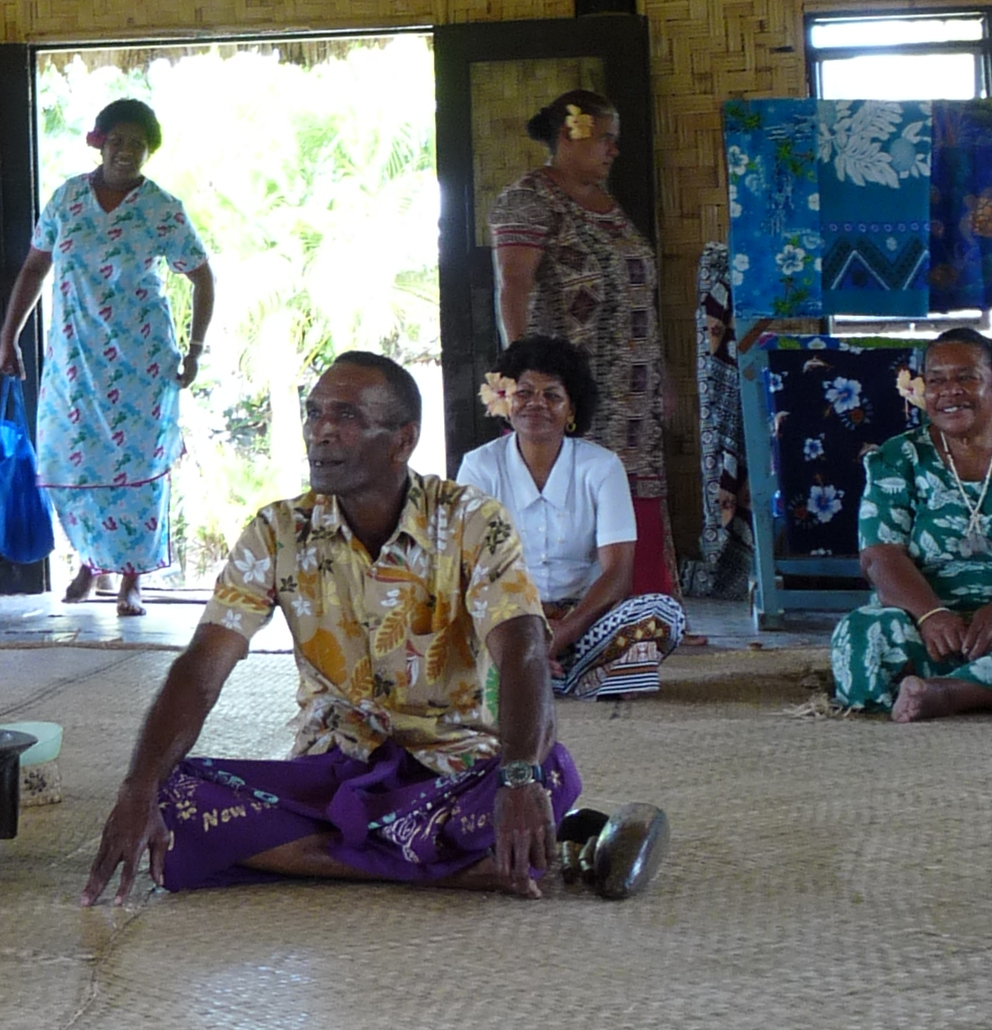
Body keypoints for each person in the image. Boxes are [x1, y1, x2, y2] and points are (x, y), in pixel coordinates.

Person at [83, 351, 669, 905]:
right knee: (173, 797)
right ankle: (475, 868)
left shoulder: (470, 520)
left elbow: (523, 653)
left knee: (549, 770)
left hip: (453, 768)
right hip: (331, 770)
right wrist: (137, 787)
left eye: (346, 416)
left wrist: (518, 778)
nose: (321, 431)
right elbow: (201, 668)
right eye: (314, 412)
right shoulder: (276, 532)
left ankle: (379, 852)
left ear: (402, 441)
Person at [0, 95, 213, 618]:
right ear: (100, 143)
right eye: (117, 140)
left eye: (138, 144)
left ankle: (132, 579)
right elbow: (34, 268)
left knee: (138, 470)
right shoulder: (68, 199)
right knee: (71, 463)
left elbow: (203, 277)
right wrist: (9, 337)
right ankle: (90, 563)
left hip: (143, 363)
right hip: (75, 361)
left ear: (149, 151)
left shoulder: (161, 208)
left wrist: (195, 349)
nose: (126, 151)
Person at [490, 88, 670, 588]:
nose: (614, 149)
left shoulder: (607, 205)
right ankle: (572, 606)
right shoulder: (529, 199)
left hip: (633, 394)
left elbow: (637, 296)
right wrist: (522, 375)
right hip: (568, 390)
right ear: (570, 136)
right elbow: (514, 284)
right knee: (569, 493)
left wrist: (663, 376)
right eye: (605, 138)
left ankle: (641, 605)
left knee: (632, 498)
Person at [455, 333, 687, 698]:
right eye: (524, 393)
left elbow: (618, 574)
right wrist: (520, 634)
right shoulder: (479, 466)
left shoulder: (602, 467)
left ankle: (530, 675)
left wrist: (560, 634)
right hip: (503, 622)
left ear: (572, 410)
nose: (537, 404)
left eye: (552, 395)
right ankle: (568, 675)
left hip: (582, 622)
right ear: (504, 402)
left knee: (661, 612)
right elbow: (469, 567)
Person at [832, 328, 992, 718]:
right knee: (862, 633)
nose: (950, 391)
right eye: (935, 381)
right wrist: (931, 615)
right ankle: (968, 684)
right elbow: (879, 556)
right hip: (927, 621)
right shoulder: (899, 456)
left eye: (967, 377)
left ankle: (946, 694)